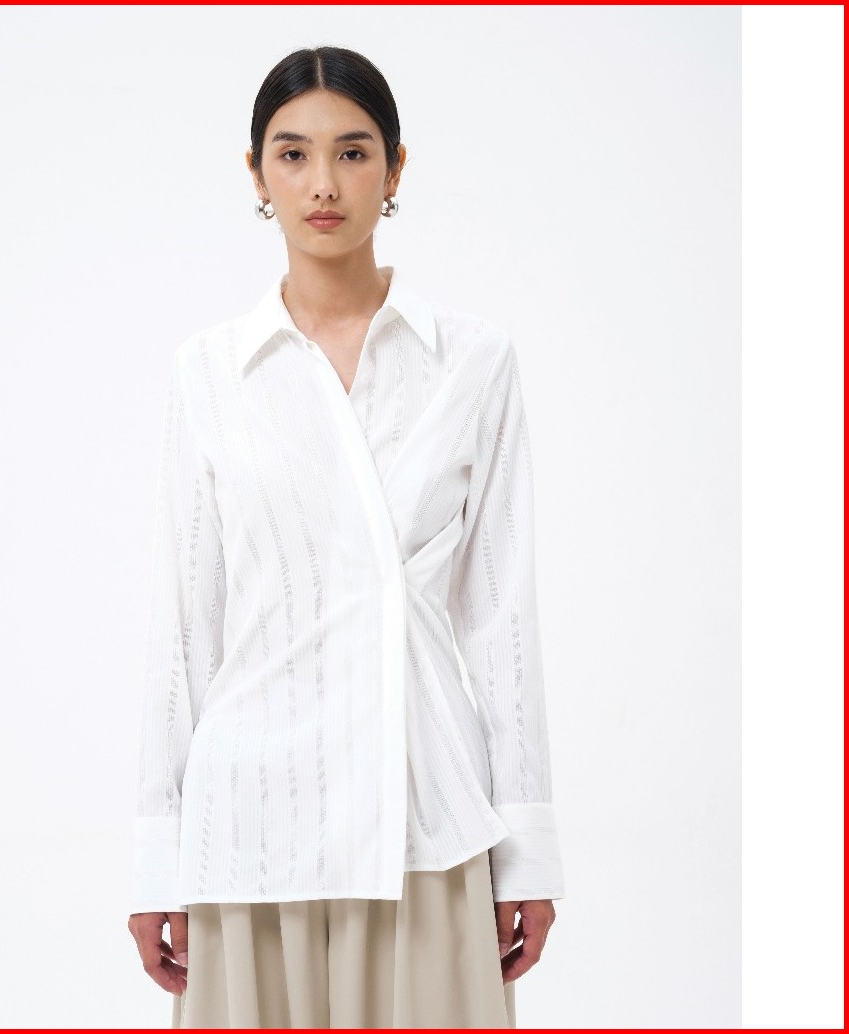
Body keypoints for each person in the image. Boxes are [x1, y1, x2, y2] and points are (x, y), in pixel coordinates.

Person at [126, 45, 565, 1029]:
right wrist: (158, 856)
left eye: (353, 152)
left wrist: (527, 849)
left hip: (425, 817)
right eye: (292, 154)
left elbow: (500, 621)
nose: (322, 183)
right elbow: (184, 629)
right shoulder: (207, 373)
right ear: (257, 175)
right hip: (249, 825)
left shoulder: (473, 362)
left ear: (395, 168)